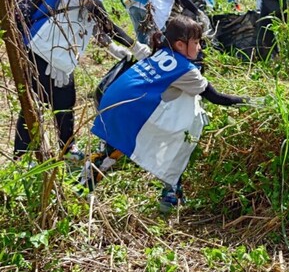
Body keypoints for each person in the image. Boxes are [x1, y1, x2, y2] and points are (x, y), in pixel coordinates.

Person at [88, 15, 247, 212]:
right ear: (180, 44)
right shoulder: (187, 70)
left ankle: (87, 178)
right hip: (130, 109)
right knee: (184, 134)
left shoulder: (161, 52)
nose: (199, 48)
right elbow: (217, 98)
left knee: (116, 146)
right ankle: (171, 190)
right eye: (196, 43)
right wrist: (250, 102)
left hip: (111, 99)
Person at [14, 0, 152, 159]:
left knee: (64, 101)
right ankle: (22, 156)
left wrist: (112, 48)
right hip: (43, 50)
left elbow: (91, 25)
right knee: (36, 103)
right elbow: (101, 18)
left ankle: (66, 149)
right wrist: (134, 45)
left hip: (59, 53)